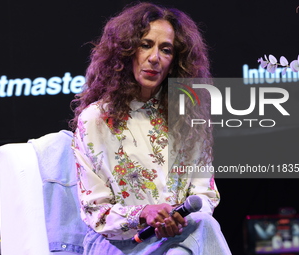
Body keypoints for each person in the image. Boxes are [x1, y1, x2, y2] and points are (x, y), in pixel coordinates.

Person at [70, 2, 231, 254]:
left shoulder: (190, 119)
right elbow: (96, 211)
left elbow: (205, 195)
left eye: (165, 50)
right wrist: (144, 214)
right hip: (122, 244)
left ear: (175, 62)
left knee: (194, 234)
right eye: (145, 45)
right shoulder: (95, 120)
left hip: (182, 235)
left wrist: (177, 218)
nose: (154, 57)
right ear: (125, 51)